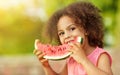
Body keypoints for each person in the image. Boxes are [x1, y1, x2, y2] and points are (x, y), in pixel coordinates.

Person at [33, 1, 113, 75]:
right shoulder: (71, 59)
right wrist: (46, 66)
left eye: (72, 29)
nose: (67, 36)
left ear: (86, 29)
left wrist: (83, 60)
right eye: (61, 33)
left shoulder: (100, 56)